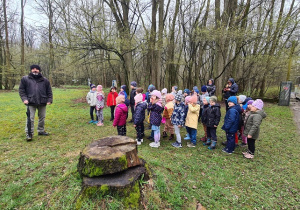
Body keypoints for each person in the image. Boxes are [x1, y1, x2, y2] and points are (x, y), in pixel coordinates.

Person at [19, 65, 53, 141]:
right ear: (31, 70)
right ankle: (29, 134)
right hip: (30, 102)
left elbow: (49, 91)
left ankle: (41, 131)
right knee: (30, 118)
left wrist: (49, 100)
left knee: (42, 117)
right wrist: (24, 99)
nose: (35, 70)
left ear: (39, 70)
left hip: (42, 101)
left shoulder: (45, 80)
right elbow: (21, 90)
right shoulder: (25, 79)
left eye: (37, 69)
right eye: (33, 69)